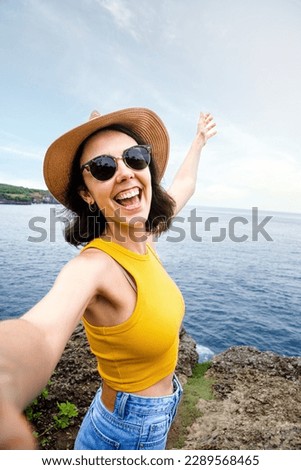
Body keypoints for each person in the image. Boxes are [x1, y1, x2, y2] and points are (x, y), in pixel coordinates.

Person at [0, 107, 216, 450]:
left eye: (134, 158)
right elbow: (40, 331)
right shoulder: (95, 266)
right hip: (125, 434)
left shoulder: (146, 235)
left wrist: (199, 140)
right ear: (87, 194)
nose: (126, 173)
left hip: (153, 415)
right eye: (103, 167)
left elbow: (184, 185)